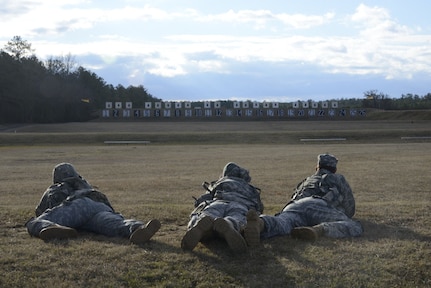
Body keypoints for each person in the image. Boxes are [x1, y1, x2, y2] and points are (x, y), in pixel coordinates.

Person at [244, 153, 363, 246]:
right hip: (320, 206)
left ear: (317, 168)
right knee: (354, 226)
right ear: (334, 169)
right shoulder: (338, 178)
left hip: (295, 206)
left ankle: (261, 223)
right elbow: (350, 209)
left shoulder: (307, 180)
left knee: (283, 222)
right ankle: (319, 229)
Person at [26, 163, 161, 244]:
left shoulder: (59, 186)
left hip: (78, 206)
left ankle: (51, 228)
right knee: (116, 224)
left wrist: (43, 217)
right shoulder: (84, 184)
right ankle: (137, 228)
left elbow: (41, 210)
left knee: (35, 222)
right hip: (100, 206)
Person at [181, 162, 264, 253]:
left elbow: (204, 198)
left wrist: (198, 204)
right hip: (240, 205)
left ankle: (201, 225)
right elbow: (258, 206)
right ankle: (229, 224)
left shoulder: (220, 182)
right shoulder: (250, 188)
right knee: (236, 218)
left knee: (207, 214)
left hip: (218, 202)